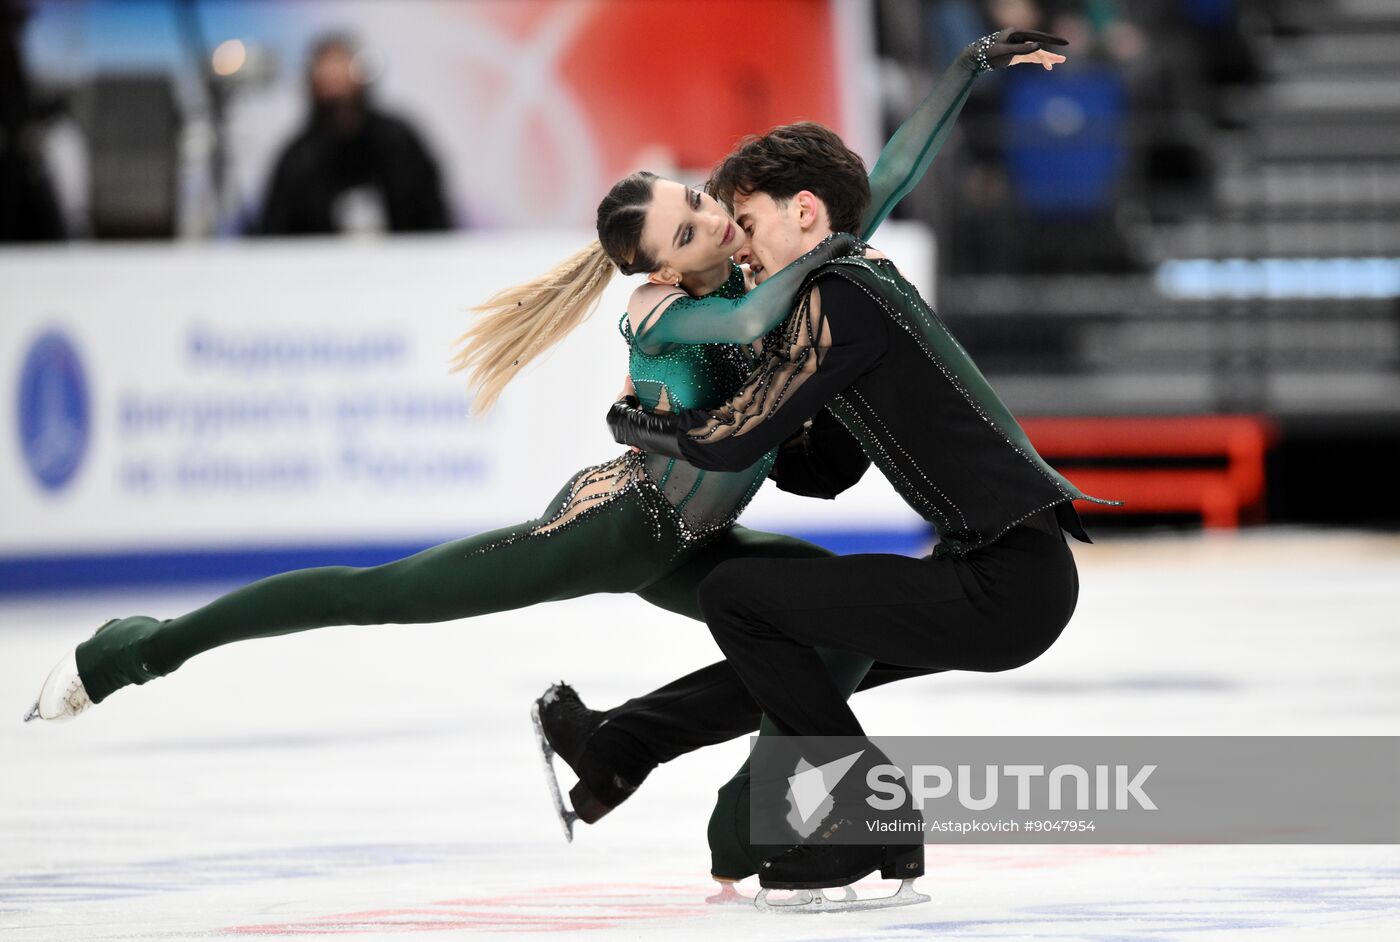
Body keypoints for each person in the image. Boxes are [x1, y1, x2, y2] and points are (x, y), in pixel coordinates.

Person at [27, 28, 1065, 904]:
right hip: (619, 526)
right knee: (381, 593)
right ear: (662, 262)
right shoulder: (671, 307)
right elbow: (782, 289)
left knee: (819, 619)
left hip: (696, 530)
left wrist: (963, 69)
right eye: (695, 221)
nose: (715, 216)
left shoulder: (775, 269)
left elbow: (870, 189)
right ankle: (145, 647)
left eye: (708, 203)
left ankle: (734, 822)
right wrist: (836, 242)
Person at [604, 44, 1120, 913]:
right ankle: (621, 743)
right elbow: (827, 470)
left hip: (1005, 582)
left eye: (748, 218)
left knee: (739, 596)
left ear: (804, 212)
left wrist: (639, 423)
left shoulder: (842, 296)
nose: (739, 240)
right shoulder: (850, 292)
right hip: (995, 573)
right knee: (795, 650)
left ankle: (859, 825)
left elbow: (734, 441)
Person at [258, 35, 451, 235]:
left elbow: (434, 216)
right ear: (312, 82)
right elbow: (276, 233)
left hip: (404, 261)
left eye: (342, 67)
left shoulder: (399, 142)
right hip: (320, 263)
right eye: (327, 71)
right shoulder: (298, 158)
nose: (335, 79)